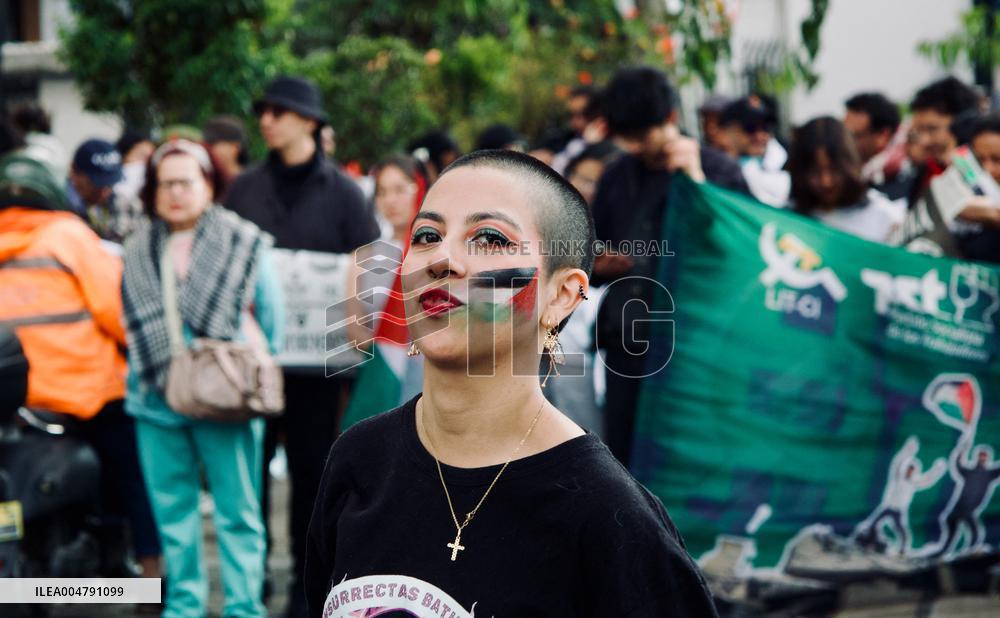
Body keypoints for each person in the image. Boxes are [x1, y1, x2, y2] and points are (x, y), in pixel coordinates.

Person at [305, 149, 717, 617]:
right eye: (427, 235)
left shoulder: (609, 518)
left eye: (489, 238)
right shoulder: (356, 459)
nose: (443, 258)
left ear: (562, 296)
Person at [223, 74, 380, 618]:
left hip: (318, 368)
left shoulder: (345, 194)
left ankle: (303, 587)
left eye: (279, 111)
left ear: (310, 120)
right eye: (263, 110)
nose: (266, 119)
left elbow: (366, 272)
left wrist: (352, 354)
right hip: (252, 361)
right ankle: (254, 577)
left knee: (314, 476)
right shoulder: (242, 189)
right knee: (250, 471)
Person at [122, 139, 284, 618]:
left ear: (208, 185)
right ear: (152, 191)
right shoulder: (136, 249)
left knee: (238, 513)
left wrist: (244, 369)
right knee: (173, 515)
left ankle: (243, 608)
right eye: (164, 183)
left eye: (184, 182)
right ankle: (184, 606)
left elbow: (271, 318)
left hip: (226, 395)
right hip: (154, 397)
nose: (174, 192)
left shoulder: (243, 239)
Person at [0, 152, 162, 581]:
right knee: (133, 470)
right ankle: (150, 574)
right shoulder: (69, 235)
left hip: (12, 402)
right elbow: (118, 313)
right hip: (79, 396)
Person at [590, 65, 747, 466]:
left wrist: (695, 182)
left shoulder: (719, 172)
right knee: (625, 464)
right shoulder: (615, 177)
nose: (637, 148)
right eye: (629, 140)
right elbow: (588, 254)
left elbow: (739, 253)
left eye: (644, 137)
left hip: (696, 349)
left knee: (690, 462)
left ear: (671, 119)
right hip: (628, 345)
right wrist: (599, 264)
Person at [786, 117, 904, 244]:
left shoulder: (886, 219)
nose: (826, 182)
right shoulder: (786, 220)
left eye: (834, 169)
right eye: (815, 172)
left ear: (851, 164)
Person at [905, 76, 981, 207]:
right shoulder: (926, 171)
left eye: (932, 129)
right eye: (919, 131)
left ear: (963, 124)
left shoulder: (984, 169)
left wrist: (959, 165)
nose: (924, 141)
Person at [69, 138, 145, 245]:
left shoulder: (127, 205)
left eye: (110, 183)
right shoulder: (58, 206)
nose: (105, 191)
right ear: (74, 173)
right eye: (97, 183)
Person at [720, 95, 790, 206]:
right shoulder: (715, 167)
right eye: (750, 128)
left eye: (766, 127)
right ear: (728, 131)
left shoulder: (789, 164)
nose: (760, 136)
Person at [843, 92, 910, 199]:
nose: (843, 142)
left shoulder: (902, 177)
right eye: (842, 133)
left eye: (852, 135)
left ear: (882, 136)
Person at [203, 115, 249, 182]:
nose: (208, 149)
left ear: (235, 147)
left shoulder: (252, 183)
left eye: (214, 144)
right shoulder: (207, 182)